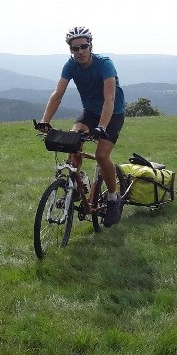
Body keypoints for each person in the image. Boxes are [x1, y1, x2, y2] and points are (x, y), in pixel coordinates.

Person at [37, 25, 126, 227]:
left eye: (83, 46)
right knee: (72, 141)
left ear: (90, 46)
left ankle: (113, 199)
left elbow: (109, 99)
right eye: (75, 48)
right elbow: (57, 94)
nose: (80, 51)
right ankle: (76, 187)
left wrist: (102, 127)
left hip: (112, 112)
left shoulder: (104, 64)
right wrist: (45, 121)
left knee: (102, 156)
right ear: (70, 50)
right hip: (90, 112)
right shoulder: (70, 66)